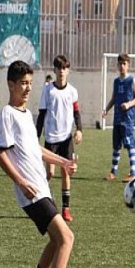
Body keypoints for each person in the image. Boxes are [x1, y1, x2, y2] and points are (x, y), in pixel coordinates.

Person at [0, 60, 77, 268]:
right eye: (23, 83)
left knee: (55, 239)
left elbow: (36, 149)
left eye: (30, 83)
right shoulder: (7, 114)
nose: (28, 88)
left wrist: (63, 162)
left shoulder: (25, 114)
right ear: (11, 85)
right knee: (66, 237)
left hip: (41, 188)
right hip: (30, 192)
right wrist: (21, 182)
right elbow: (0, 155)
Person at [36, 55, 83, 222]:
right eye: (59, 68)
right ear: (54, 70)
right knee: (48, 174)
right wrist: (36, 136)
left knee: (66, 172)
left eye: (64, 68)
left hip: (66, 138)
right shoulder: (48, 90)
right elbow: (41, 114)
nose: (61, 71)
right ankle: (48, 200)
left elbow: (76, 112)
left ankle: (65, 209)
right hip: (50, 138)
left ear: (68, 70)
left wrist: (79, 130)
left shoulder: (72, 91)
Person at [102, 53, 135, 182]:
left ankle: (133, 172)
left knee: (130, 145)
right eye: (120, 64)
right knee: (116, 146)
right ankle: (113, 172)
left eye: (124, 64)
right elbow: (114, 98)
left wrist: (128, 104)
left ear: (128, 65)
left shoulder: (132, 80)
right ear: (117, 65)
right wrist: (106, 109)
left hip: (127, 119)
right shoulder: (116, 81)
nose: (122, 66)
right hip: (117, 119)